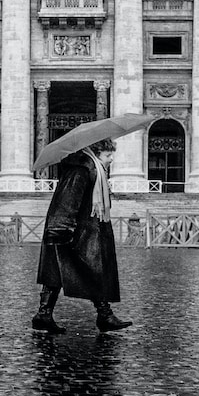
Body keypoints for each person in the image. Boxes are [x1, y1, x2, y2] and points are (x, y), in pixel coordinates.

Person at [33, 140, 130, 333]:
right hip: (75, 232)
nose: (111, 159)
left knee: (76, 271)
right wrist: (61, 229)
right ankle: (103, 316)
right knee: (77, 271)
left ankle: (46, 315)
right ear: (95, 153)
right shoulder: (81, 170)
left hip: (87, 230)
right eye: (108, 155)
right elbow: (68, 199)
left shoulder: (92, 170)